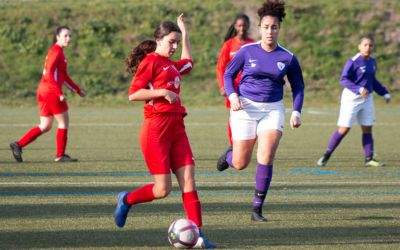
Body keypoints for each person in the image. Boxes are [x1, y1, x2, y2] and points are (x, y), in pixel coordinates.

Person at [113, 14, 215, 249]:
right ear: (158, 40)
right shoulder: (150, 61)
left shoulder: (171, 64)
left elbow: (188, 62)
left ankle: (198, 236)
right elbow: (133, 94)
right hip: (156, 130)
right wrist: (162, 93)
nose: (175, 47)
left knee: (189, 182)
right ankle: (126, 199)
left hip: (177, 128)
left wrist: (185, 33)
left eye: (177, 42)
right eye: (171, 42)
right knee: (162, 190)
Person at [216, 0, 305, 222]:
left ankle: (257, 209)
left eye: (274, 27)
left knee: (266, 156)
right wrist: (233, 95)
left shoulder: (288, 57)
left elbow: (298, 86)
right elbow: (228, 75)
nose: (269, 31)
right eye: (266, 27)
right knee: (241, 163)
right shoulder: (246, 51)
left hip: (273, 109)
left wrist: (296, 112)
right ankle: (229, 157)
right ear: (260, 28)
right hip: (245, 107)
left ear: (279, 29)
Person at [9, 26, 87, 163]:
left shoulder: (58, 52)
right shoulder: (56, 52)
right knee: (63, 122)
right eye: (65, 35)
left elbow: (63, 75)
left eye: (70, 36)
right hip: (50, 91)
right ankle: (60, 155)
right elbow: (49, 73)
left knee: (45, 125)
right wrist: (59, 93)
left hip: (44, 90)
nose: (69, 38)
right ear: (57, 37)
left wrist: (77, 90)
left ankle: (18, 145)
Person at [317, 36, 391, 167]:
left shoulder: (372, 62)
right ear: (359, 46)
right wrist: (359, 89)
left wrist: (384, 92)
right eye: (365, 45)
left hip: (367, 99)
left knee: (367, 127)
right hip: (351, 99)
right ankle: (326, 156)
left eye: (370, 45)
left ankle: (369, 159)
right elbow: (343, 79)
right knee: (344, 129)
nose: (368, 47)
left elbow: (372, 80)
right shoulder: (353, 61)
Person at [216, 14, 254, 145]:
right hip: (232, 86)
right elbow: (220, 67)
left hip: (248, 87)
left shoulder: (252, 44)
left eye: (244, 25)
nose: (242, 28)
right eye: (239, 25)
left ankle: (246, 143)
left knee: (250, 115)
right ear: (235, 26)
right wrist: (222, 86)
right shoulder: (229, 45)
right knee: (234, 115)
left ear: (248, 26)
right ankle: (233, 145)